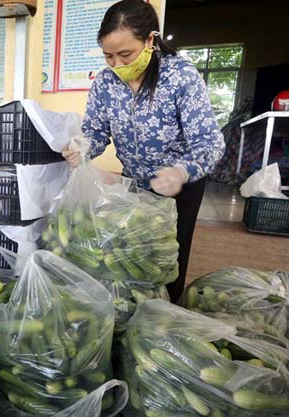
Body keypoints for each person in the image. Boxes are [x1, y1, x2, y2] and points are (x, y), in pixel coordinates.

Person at [62, 0, 225, 302]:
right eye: (108, 56)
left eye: (125, 54)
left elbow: (209, 142)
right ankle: (130, 316)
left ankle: (166, 317)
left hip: (180, 188)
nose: (117, 64)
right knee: (130, 253)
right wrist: (82, 146)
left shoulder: (180, 77)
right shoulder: (106, 83)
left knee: (168, 259)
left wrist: (181, 171)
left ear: (150, 40)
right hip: (133, 185)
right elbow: (96, 132)